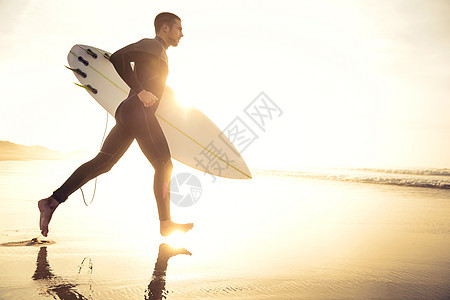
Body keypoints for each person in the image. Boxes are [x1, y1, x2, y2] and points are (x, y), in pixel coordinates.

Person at [38, 12, 193, 237]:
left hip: (130, 113)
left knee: (103, 163)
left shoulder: (158, 52)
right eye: (179, 28)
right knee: (164, 164)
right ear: (165, 28)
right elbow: (119, 57)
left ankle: (52, 201)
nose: (182, 34)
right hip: (137, 112)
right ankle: (166, 223)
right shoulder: (152, 45)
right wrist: (140, 92)